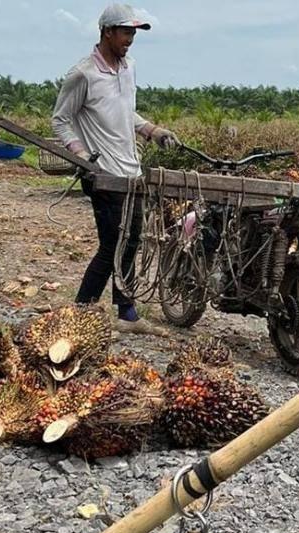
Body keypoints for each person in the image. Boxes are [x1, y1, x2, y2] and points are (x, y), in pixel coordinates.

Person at [52, 3, 179, 326]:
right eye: (125, 32)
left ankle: (125, 311)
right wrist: (80, 154)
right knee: (112, 245)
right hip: (103, 173)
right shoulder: (83, 74)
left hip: (131, 170)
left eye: (134, 32)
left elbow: (124, 112)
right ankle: (80, 313)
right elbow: (61, 120)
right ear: (107, 32)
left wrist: (152, 130)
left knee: (131, 242)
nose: (131, 39)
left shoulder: (129, 66)